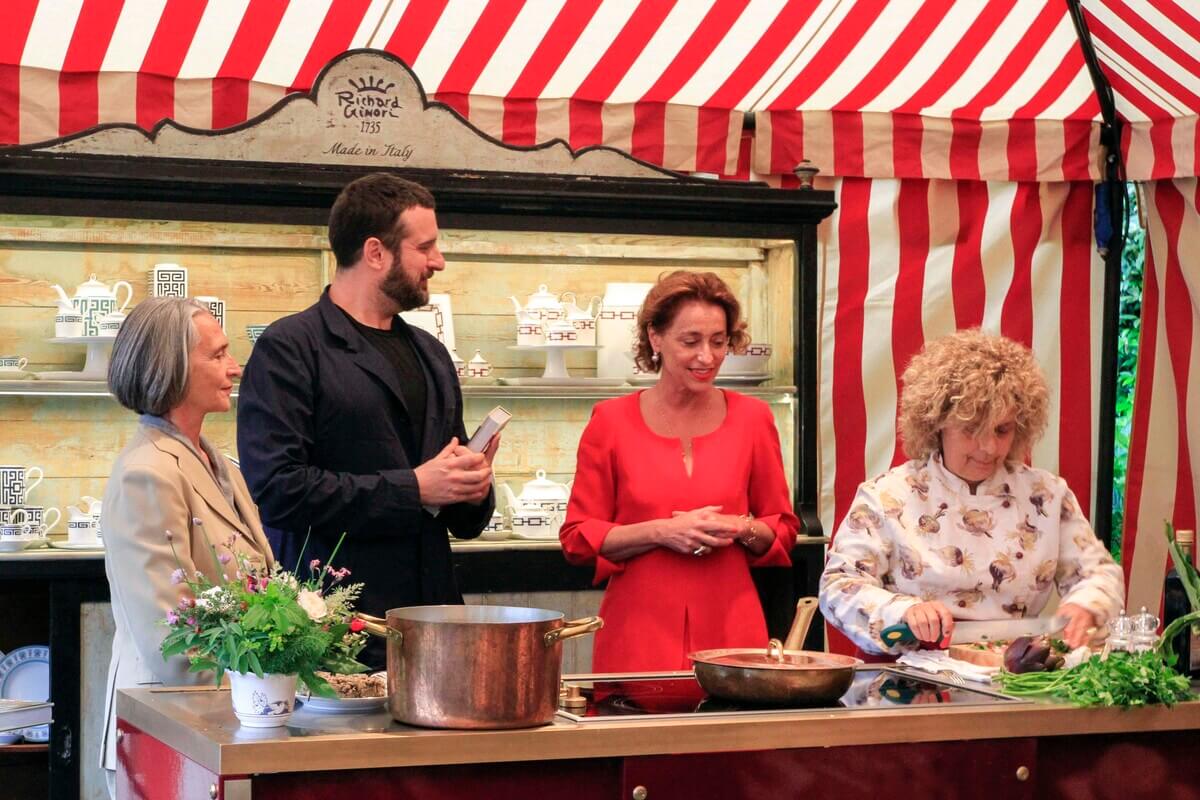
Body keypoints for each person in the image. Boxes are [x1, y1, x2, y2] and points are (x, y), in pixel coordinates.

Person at [237, 173, 497, 670]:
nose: (438, 261)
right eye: (426, 247)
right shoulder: (290, 348)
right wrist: (414, 488)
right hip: (332, 632)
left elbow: (463, 520)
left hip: (435, 626)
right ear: (376, 252)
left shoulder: (432, 353)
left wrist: (474, 483)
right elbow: (276, 489)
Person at [820, 329, 1124, 657]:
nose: (989, 447)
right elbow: (838, 586)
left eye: (1002, 430)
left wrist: (1085, 606)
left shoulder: (1047, 496)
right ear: (935, 423)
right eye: (971, 430)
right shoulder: (886, 496)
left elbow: (1099, 572)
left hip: (1017, 674)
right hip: (912, 679)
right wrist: (901, 610)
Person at [560, 270, 799, 672]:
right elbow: (577, 538)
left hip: (734, 636)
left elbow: (784, 529)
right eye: (690, 341)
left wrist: (739, 527)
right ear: (656, 338)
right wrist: (660, 532)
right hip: (637, 634)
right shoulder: (610, 421)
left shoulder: (754, 419)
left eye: (719, 342)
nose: (707, 357)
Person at [100, 298, 273, 797]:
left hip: (219, 731)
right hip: (169, 740)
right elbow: (174, 649)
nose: (234, 367)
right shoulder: (146, 473)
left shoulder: (215, 461)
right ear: (172, 368)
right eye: (217, 355)